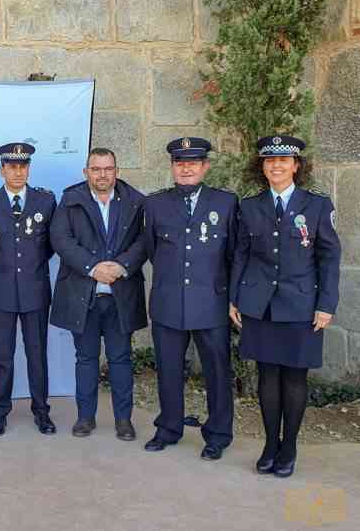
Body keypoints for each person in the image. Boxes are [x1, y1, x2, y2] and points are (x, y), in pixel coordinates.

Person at [229, 135, 340, 478]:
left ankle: (289, 446)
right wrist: (234, 297)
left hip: (301, 306)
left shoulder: (317, 206)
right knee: (267, 377)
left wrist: (326, 304)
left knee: (294, 379)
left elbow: (329, 257)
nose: (276, 166)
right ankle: (269, 445)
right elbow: (241, 255)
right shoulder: (250, 206)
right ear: (262, 167)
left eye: (283, 161)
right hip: (259, 305)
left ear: (296, 166)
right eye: (269, 161)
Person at [142, 137, 236, 460]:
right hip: (169, 302)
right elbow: (153, 251)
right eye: (180, 163)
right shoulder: (154, 204)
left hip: (211, 302)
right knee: (168, 369)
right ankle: (169, 428)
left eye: (192, 163)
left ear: (205, 166)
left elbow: (233, 255)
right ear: (172, 167)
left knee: (217, 372)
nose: (186, 168)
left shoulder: (225, 203)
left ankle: (218, 434)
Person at [50, 147, 147, 441]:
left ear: (116, 171)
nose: (102, 174)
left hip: (121, 296)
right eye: (96, 169)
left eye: (108, 169)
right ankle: (85, 418)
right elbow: (60, 239)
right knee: (86, 359)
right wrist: (92, 267)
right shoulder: (70, 199)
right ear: (86, 172)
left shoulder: (135, 200)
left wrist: (121, 266)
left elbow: (145, 240)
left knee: (121, 359)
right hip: (85, 296)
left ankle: (123, 420)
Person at [0, 142, 57, 436]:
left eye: (23, 166)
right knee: (3, 356)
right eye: (12, 167)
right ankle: (0, 412)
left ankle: (41, 411)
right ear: (2, 170)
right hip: (1, 290)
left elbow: (49, 247)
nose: (18, 172)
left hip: (35, 289)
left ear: (28, 169)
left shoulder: (45, 201)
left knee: (37, 354)